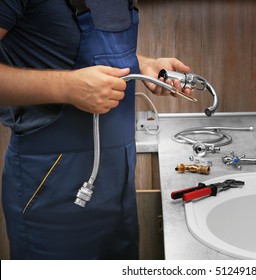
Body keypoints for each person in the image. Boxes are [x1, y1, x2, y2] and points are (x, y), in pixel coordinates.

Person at [0, 0, 191, 259]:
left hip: (118, 192)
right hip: (49, 196)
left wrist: (142, 65)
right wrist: (66, 87)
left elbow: (58, 46)